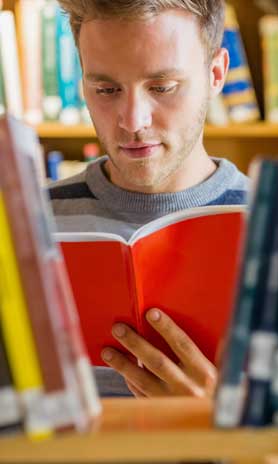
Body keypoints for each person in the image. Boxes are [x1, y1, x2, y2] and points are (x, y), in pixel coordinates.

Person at [49, 0, 249, 398]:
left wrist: (220, 426)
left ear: (216, 74)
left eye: (162, 87)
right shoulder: (25, 224)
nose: (133, 121)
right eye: (105, 89)